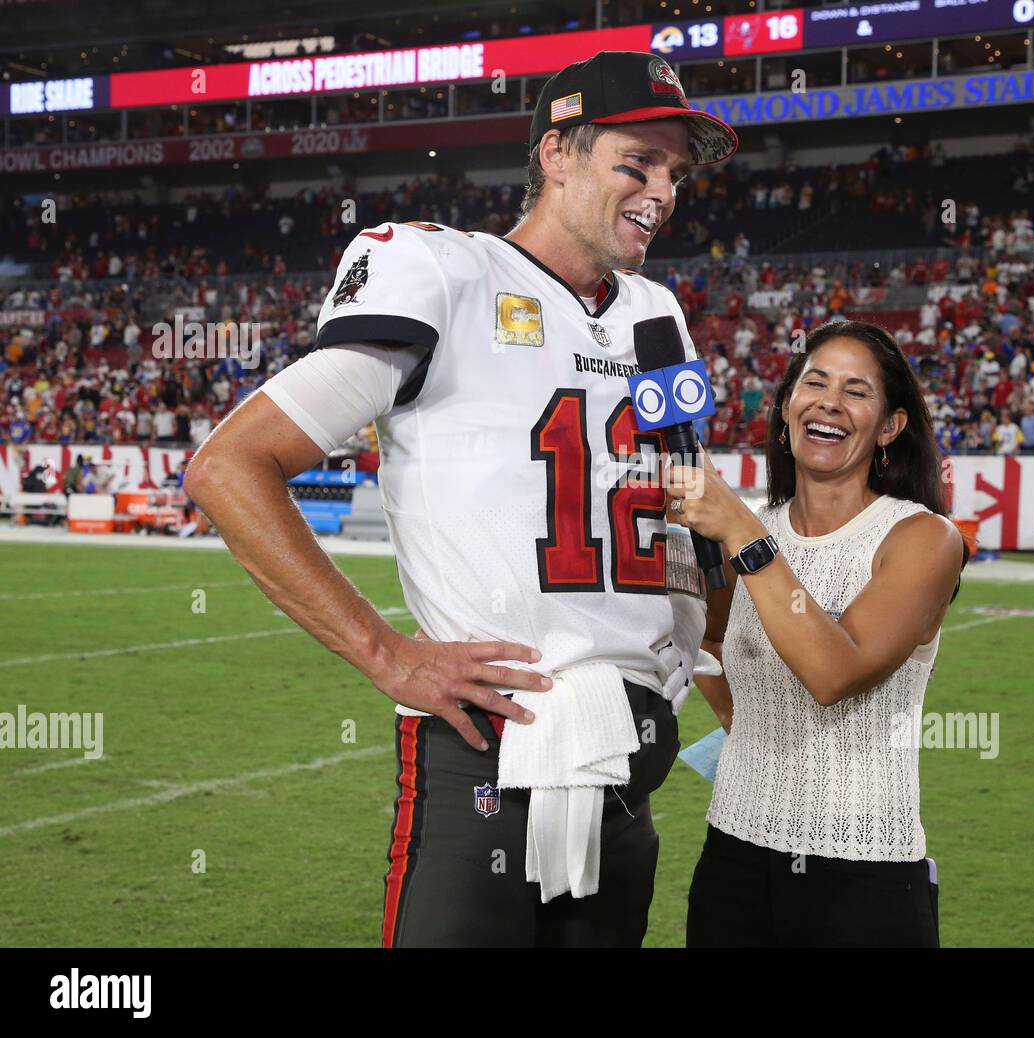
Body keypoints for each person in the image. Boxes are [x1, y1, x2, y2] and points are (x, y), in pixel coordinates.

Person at [186, 50, 740, 948]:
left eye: (675, 172)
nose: (662, 191)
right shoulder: (445, 273)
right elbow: (228, 467)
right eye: (636, 163)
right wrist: (388, 654)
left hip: (633, 754)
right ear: (558, 153)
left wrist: (726, 695)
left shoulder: (656, 316)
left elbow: (689, 528)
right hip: (490, 741)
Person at [665, 321, 968, 947]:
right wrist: (749, 728)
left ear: (889, 427)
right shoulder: (752, 525)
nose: (830, 401)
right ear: (786, 408)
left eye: (857, 391)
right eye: (816, 382)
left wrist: (743, 535)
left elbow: (836, 674)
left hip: (863, 873)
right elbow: (715, 646)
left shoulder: (924, 538)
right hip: (732, 854)